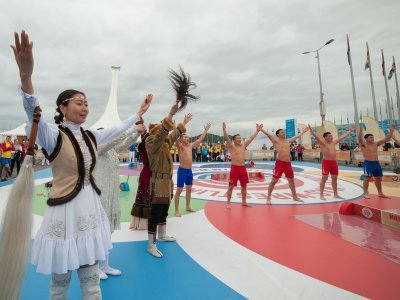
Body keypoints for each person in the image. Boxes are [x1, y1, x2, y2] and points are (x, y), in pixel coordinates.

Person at [11, 30, 152, 299]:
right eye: (79, 102)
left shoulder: (90, 136)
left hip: (89, 210)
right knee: (59, 284)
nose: (85, 107)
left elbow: (117, 128)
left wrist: (139, 113)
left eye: (87, 103)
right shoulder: (51, 135)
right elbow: (33, 112)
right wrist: (26, 77)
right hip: (64, 214)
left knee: (91, 282)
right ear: (63, 107)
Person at [95, 121, 145, 279]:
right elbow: (115, 141)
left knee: (107, 231)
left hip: (111, 195)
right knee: (98, 232)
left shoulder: (111, 151)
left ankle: (104, 265)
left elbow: (124, 142)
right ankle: (94, 267)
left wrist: (136, 133)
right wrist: (132, 128)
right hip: (99, 196)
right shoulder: (98, 149)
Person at [145, 103, 188, 257]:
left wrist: (183, 125)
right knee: (155, 214)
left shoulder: (163, 144)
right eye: (161, 132)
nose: (164, 135)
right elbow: (161, 135)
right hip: (158, 183)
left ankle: (162, 235)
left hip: (167, 183)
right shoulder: (152, 143)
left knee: (164, 211)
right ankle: (151, 244)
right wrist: (170, 114)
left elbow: (171, 136)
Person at [261, 127, 309, 204]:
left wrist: (303, 131)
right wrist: (261, 129)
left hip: (288, 164)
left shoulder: (287, 141)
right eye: (282, 132)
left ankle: (295, 197)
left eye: (284, 132)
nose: (284, 133)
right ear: (278, 134)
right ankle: (268, 197)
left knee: (291, 181)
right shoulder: (276, 141)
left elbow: (296, 136)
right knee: (274, 181)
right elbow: (269, 135)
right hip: (280, 164)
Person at [309, 124, 356, 200]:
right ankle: (321, 194)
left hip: (334, 163)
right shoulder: (323, 143)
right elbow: (316, 138)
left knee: (335, 178)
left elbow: (342, 137)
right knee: (324, 178)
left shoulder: (333, 142)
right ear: (325, 138)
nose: (331, 137)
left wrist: (350, 131)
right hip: (326, 162)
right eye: (329, 136)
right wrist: (311, 131)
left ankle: (335, 194)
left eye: (331, 136)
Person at [174, 120, 211, 217]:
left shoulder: (190, 146)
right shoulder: (180, 146)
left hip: (189, 171)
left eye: (187, 137)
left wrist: (205, 131)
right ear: (181, 139)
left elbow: (199, 140)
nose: (187, 138)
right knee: (179, 191)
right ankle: (176, 210)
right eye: (185, 137)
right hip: (182, 171)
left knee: (189, 189)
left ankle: (187, 206)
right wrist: (175, 128)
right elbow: (175, 138)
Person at [222, 122, 262, 209]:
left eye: (240, 138)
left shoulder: (243, 145)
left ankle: (244, 201)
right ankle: (228, 203)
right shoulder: (231, 146)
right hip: (235, 168)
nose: (239, 139)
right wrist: (224, 130)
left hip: (243, 168)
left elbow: (251, 138)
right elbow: (227, 138)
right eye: (237, 138)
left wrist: (257, 131)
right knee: (231, 186)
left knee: (244, 185)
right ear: (234, 140)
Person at [359, 124, 395, 198]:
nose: (372, 138)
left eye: (373, 137)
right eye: (370, 137)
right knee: (367, 179)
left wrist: (391, 131)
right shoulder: (363, 145)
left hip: (376, 163)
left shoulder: (376, 144)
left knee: (378, 178)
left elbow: (386, 139)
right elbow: (360, 139)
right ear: (366, 139)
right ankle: (365, 193)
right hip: (368, 163)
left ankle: (380, 192)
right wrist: (360, 131)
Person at [130, 127, 152, 230]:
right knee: (147, 193)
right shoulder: (146, 146)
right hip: (148, 172)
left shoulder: (146, 145)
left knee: (146, 194)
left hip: (148, 172)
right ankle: (146, 221)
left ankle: (147, 220)